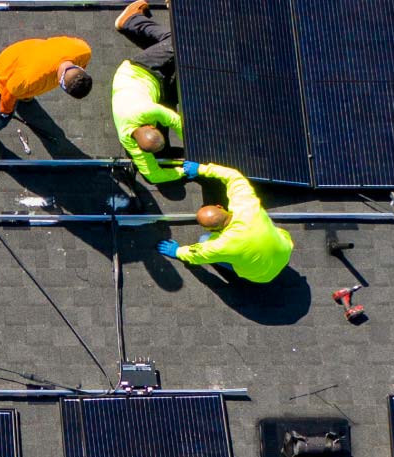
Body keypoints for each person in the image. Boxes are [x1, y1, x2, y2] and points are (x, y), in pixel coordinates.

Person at [157, 163, 294, 283]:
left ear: (212, 229)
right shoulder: (246, 205)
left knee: (203, 240)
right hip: (284, 254)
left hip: (261, 276)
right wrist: (201, 169)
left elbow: (196, 255)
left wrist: (177, 252)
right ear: (219, 206)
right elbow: (234, 176)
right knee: (262, 225)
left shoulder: (220, 246)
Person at [0, 37, 93, 160]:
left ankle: (24, 96)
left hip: (26, 54)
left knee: (25, 91)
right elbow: (8, 94)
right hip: (7, 73)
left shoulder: (82, 51)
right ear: (62, 85)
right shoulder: (27, 80)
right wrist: (5, 112)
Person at [111, 0, 185, 184]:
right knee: (184, 79)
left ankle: (130, 20)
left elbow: (176, 121)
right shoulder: (130, 142)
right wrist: (181, 172)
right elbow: (154, 176)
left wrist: (197, 151)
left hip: (139, 70)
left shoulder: (147, 111)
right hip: (156, 89)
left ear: (151, 126)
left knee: (177, 44)